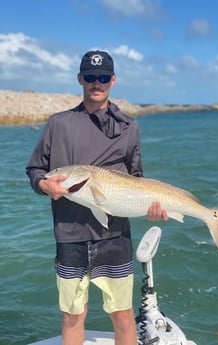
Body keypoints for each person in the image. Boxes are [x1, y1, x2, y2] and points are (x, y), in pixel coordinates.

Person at [26, 50, 168, 345]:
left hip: (114, 236)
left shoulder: (129, 127)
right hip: (69, 235)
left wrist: (151, 207)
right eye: (90, 77)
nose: (96, 83)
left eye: (103, 77)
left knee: (123, 316)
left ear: (113, 80)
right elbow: (36, 169)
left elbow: (136, 178)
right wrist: (44, 185)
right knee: (72, 316)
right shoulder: (58, 123)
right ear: (80, 79)